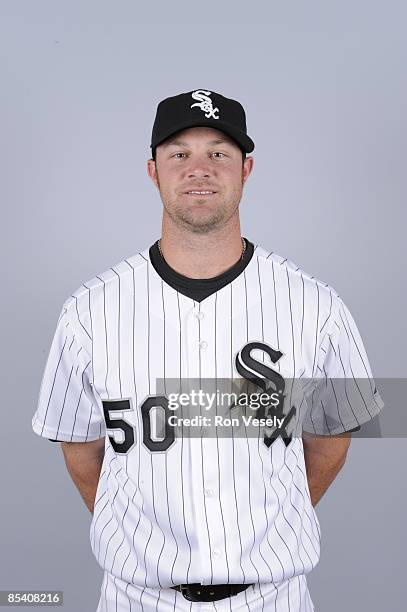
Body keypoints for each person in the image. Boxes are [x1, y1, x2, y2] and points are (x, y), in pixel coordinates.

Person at [32, 89, 384, 611]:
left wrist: (269, 532)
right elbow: (79, 447)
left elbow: (333, 439)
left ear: (247, 169)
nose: (199, 168)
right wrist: (135, 538)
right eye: (179, 153)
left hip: (274, 599)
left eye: (218, 153)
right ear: (153, 171)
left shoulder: (317, 305)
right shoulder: (89, 311)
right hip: (136, 600)